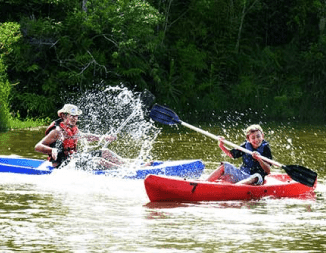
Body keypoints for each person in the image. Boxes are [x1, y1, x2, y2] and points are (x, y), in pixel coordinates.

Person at [35, 104, 123, 169]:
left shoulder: (73, 129)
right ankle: (124, 172)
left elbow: (86, 136)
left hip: (73, 159)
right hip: (62, 165)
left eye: (76, 116)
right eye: (72, 116)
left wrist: (102, 137)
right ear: (63, 116)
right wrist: (52, 150)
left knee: (105, 152)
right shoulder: (56, 132)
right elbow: (38, 146)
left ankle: (127, 166)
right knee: (98, 161)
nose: (75, 118)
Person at [206, 124, 272, 185]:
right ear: (248, 139)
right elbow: (231, 154)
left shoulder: (265, 148)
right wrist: (221, 145)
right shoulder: (245, 146)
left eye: (258, 136)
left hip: (257, 177)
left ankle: (235, 187)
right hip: (243, 174)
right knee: (224, 166)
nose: (256, 140)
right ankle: (204, 183)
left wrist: (259, 159)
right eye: (253, 138)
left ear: (262, 136)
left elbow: (268, 171)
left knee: (255, 177)